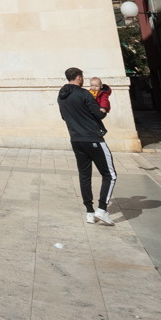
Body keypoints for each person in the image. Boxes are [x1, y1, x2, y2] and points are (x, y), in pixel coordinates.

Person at [58, 67, 116, 226]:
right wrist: (104, 108)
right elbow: (99, 114)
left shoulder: (61, 96)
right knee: (110, 174)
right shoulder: (84, 94)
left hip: (76, 139)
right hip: (93, 138)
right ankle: (102, 210)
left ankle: (89, 212)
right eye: (82, 77)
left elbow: (64, 116)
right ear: (78, 78)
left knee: (84, 175)